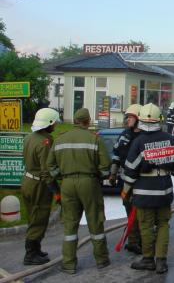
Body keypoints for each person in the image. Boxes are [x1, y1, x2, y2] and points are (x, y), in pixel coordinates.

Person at [47, 108, 111, 274]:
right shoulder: (94, 139)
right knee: (95, 220)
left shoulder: (60, 140)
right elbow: (106, 166)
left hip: (67, 184)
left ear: (75, 121)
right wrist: (99, 176)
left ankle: (68, 263)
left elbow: (50, 165)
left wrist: (61, 176)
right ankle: (101, 259)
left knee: (70, 224)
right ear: (87, 121)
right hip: (89, 183)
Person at [122, 103, 174, 274]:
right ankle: (161, 262)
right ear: (160, 119)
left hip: (143, 193)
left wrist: (125, 190)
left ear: (140, 120)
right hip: (164, 190)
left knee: (146, 225)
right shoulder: (169, 139)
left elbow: (131, 170)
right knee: (163, 224)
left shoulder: (138, 142)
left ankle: (148, 259)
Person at [21, 108, 61, 265]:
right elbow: (47, 171)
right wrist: (56, 191)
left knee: (33, 216)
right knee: (39, 218)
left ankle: (35, 249)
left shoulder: (29, 137)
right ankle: (30, 254)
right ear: (49, 123)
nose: (56, 125)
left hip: (27, 180)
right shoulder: (45, 141)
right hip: (39, 184)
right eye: (55, 122)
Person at [108, 104, 142, 254]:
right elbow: (116, 154)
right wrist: (113, 173)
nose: (127, 119)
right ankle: (134, 241)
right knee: (129, 210)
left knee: (142, 212)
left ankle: (144, 241)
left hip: (142, 182)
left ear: (139, 119)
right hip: (125, 180)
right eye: (127, 117)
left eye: (130, 117)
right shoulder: (125, 134)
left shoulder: (146, 137)